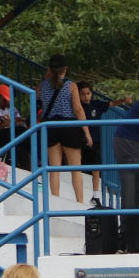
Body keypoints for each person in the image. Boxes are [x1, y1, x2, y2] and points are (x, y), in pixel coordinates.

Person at [37, 55, 92, 203]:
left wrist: (46, 77)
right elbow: (78, 110)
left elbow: (37, 101)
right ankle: (80, 202)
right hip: (69, 127)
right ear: (65, 69)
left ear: (50, 69)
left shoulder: (42, 86)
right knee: (76, 169)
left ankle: (55, 201)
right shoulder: (71, 85)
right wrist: (87, 132)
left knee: (54, 169)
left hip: (50, 127)